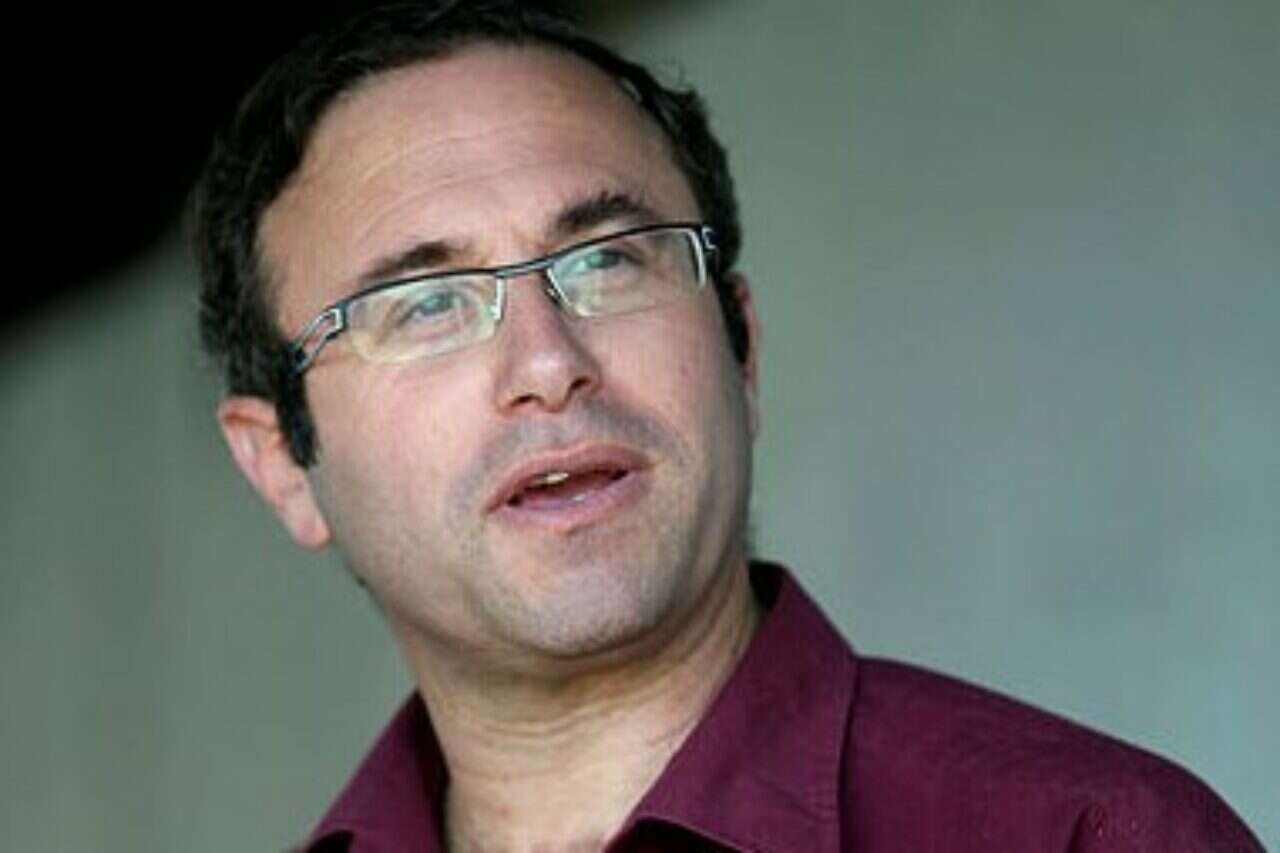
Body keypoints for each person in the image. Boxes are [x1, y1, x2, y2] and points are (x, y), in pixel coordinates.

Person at [190, 3, 1262, 851]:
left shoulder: (1086, 836)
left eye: (609, 261)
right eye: (426, 305)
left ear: (739, 348)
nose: (549, 365)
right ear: (281, 462)